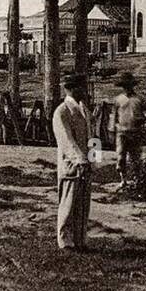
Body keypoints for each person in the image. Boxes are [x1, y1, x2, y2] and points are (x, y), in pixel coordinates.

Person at [52, 72, 92, 251]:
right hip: (71, 166)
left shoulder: (84, 110)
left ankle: (80, 239)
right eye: (81, 87)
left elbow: (93, 136)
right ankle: (65, 240)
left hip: (85, 165)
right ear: (72, 89)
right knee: (68, 204)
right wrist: (80, 160)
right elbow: (66, 140)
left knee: (83, 205)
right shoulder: (62, 112)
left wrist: (94, 160)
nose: (84, 90)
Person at [112, 71, 146, 189]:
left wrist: (143, 118)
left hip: (135, 131)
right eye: (125, 86)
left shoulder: (139, 99)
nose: (127, 88)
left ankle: (137, 180)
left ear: (133, 86)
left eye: (129, 86)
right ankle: (123, 180)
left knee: (135, 157)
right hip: (122, 132)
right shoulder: (118, 99)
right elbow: (114, 115)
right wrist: (112, 129)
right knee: (121, 156)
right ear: (123, 87)